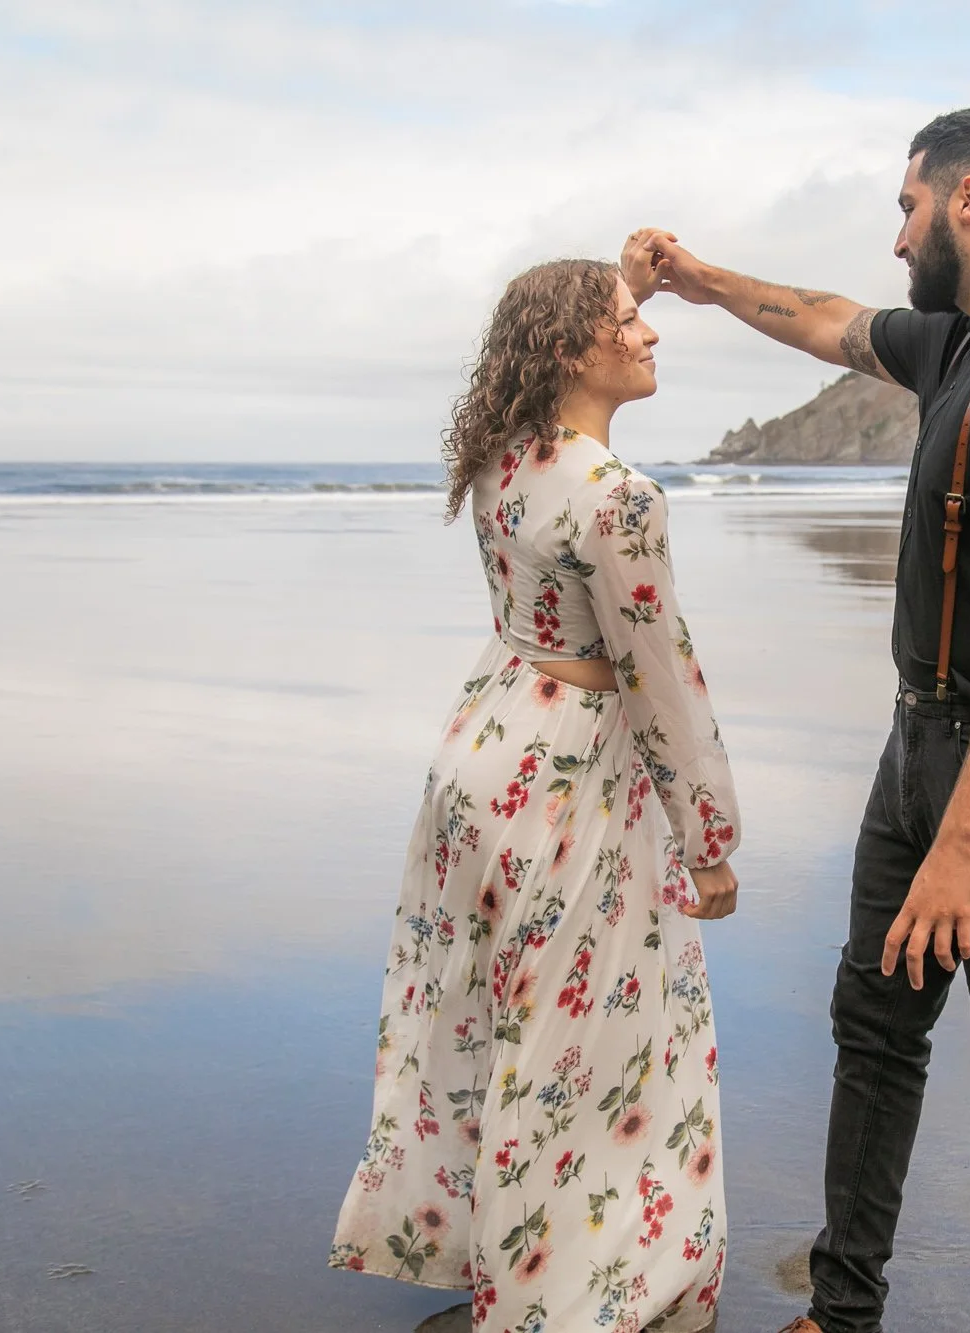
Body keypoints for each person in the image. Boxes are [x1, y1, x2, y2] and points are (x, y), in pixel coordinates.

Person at [627, 105, 970, 1333]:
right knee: (875, 1019)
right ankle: (841, 1308)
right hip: (925, 743)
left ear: (966, 197)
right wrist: (699, 283)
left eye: (905, 204)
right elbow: (823, 321)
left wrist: (964, 836)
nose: (894, 231)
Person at [329, 256, 742, 1333]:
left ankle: (512, 1279)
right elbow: (660, 678)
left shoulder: (505, 462)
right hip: (571, 779)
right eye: (626, 321)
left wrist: (625, 272)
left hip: (486, 746)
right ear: (571, 351)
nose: (649, 335)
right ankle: (571, 1298)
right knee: (595, 1045)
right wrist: (710, 838)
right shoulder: (620, 500)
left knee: (497, 1018)